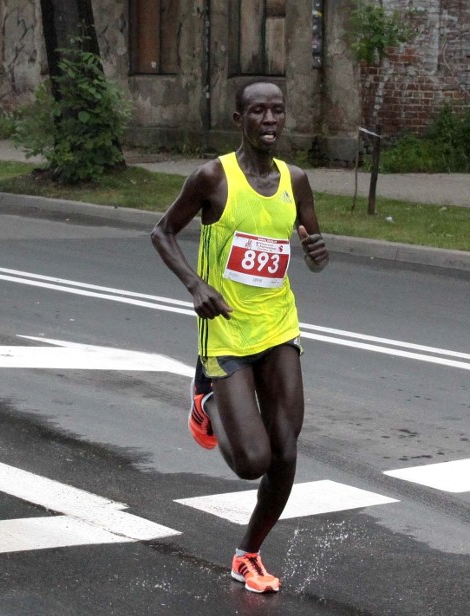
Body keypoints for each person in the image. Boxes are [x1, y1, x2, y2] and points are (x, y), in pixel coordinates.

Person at [151, 80, 329, 594]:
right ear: (240, 119)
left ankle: (247, 554)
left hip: (278, 325)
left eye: (277, 111)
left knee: (287, 451)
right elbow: (161, 232)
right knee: (253, 462)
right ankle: (204, 397)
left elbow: (312, 247)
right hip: (225, 327)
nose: (269, 120)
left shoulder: (296, 181)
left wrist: (318, 255)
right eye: (258, 111)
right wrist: (196, 284)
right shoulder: (213, 178)